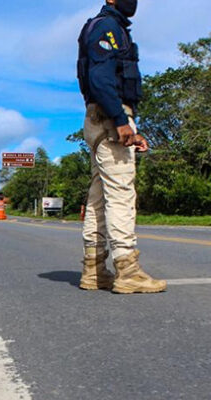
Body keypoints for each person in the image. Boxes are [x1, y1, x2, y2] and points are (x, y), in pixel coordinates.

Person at [76, 0, 167, 294]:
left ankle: (94, 270)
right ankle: (127, 269)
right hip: (109, 117)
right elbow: (100, 78)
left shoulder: (104, 27)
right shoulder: (107, 27)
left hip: (101, 118)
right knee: (121, 192)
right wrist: (120, 120)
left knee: (99, 196)